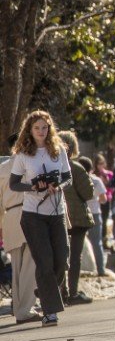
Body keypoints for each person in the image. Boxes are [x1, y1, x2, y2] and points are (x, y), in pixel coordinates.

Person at [8, 111, 73, 327]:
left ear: (50, 128)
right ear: (30, 129)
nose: (41, 132)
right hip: (33, 214)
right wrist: (33, 187)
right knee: (44, 262)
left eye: (44, 127)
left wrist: (58, 186)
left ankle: (43, 290)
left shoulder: (59, 150)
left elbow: (67, 177)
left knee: (62, 260)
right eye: (37, 128)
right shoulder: (23, 154)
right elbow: (14, 184)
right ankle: (50, 311)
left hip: (57, 212)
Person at [1, 131, 42, 324]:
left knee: (17, 266)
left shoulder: (2, 168)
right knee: (29, 265)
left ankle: (19, 308)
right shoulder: (30, 164)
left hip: (10, 217)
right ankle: (24, 310)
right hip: (28, 213)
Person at [58, 131, 95, 305]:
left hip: (58, 216)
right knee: (75, 257)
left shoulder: (51, 166)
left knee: (60, 256)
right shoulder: (76, 168)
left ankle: (61, 292)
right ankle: (73, 293)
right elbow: (88, 194)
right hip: (78, 218)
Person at [79, 157, 109, 277]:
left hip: (80, 214)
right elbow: (104, 199)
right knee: (97, 243)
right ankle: (100, 269)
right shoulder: (96, 180)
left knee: (79, 244)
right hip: (95, 213)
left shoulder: (76, 180)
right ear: (91, 168)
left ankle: (81, 269)